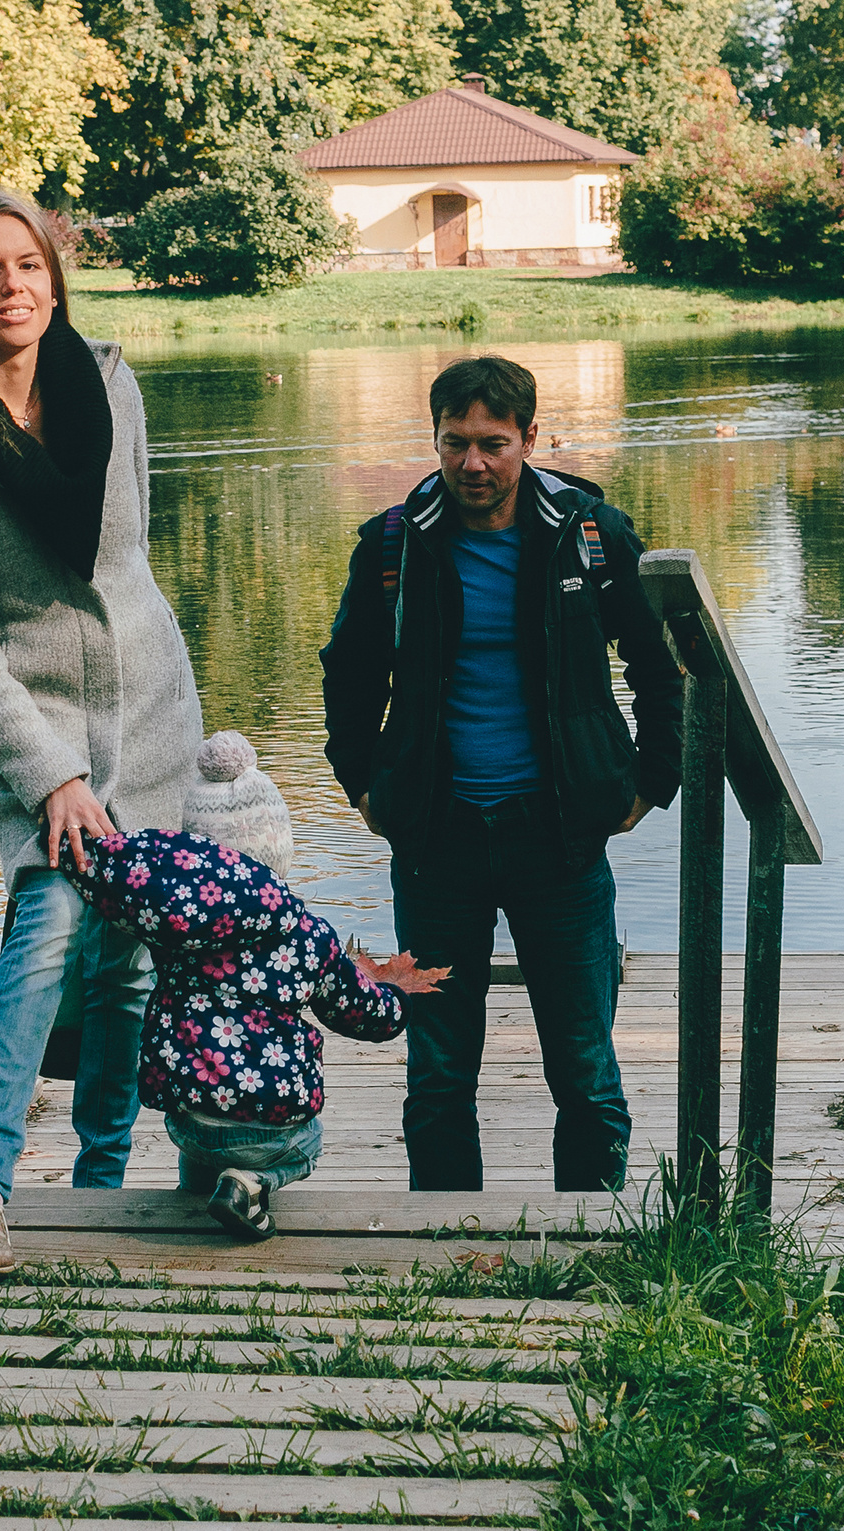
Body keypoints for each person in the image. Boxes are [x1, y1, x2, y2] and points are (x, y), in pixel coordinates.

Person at [0, 190, 203, 1278]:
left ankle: (101, 1187)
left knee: (128, 962)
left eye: (28, 264)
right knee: (50, 925)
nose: (11, 287)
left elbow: (131, 559)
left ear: (54, 277)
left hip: (151, 710)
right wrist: (51, 772)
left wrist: (150, 698)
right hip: (31, 723)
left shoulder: (109, 383)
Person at [319, 355, 683, 1192]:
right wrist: (364, 784)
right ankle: (445, 1249)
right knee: (439, 1069)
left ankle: (593, 1241)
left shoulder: (590, 532)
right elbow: (349, 670)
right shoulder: (392, 540)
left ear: (530, 437)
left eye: (492, 443)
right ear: (435, 439)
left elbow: (661, 667)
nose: (472, 463)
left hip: (557, 838)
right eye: (455, 443)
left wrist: (649, 782)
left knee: (584, 1064)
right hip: (436, 841)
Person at [63, 820, 446, 1240]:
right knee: (309, 1142)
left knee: (209, 1109)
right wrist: (397, 1002)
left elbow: (107, 884)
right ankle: (250, 1185)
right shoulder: (308, 936)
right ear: (275, 863)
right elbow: (360, 1013)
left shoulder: (173, 922)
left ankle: (197, 1192)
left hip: (186, 1124)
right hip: (265, 1129)